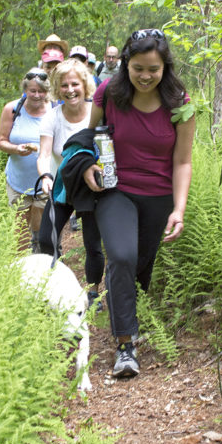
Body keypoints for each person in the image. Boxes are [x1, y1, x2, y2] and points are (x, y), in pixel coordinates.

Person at [84, 28, 195, 378]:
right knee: (121, 256)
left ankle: (125, 312)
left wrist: (178, 208)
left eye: (153, 69)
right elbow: (89, 140)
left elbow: (183, 161)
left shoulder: (180, 103)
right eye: (138, 68)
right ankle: (125, 346)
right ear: (125, 66)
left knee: (140, 268)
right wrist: (88, 165)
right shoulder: (109, 93)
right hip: (115, 189)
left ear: (165, 67)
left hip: (159, 196)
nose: (145, 76)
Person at [36, 58, 105, 307]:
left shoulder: (96, 113)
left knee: (92, 244)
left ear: (84, 84)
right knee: (46, 238)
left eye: (74, 83)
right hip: (62, 185)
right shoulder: (52, 117)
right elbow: (44, 154)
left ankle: (93, 293)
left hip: (92, 187)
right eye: (63, 85)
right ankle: (59, 284)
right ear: (57, 88)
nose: (70, 90)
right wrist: (45, 176)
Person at [0, 67, 51, 251]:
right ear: (25, 89)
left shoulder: (54, 111)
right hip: (18, 179)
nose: (37, 95)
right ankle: (20, 264)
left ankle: (38, 245)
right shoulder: (12, 109)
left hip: (44, 178)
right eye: (33, 91)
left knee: (40, 217)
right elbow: (1, 141)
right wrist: (16, 149)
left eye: (42, 91)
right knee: (20, 223)